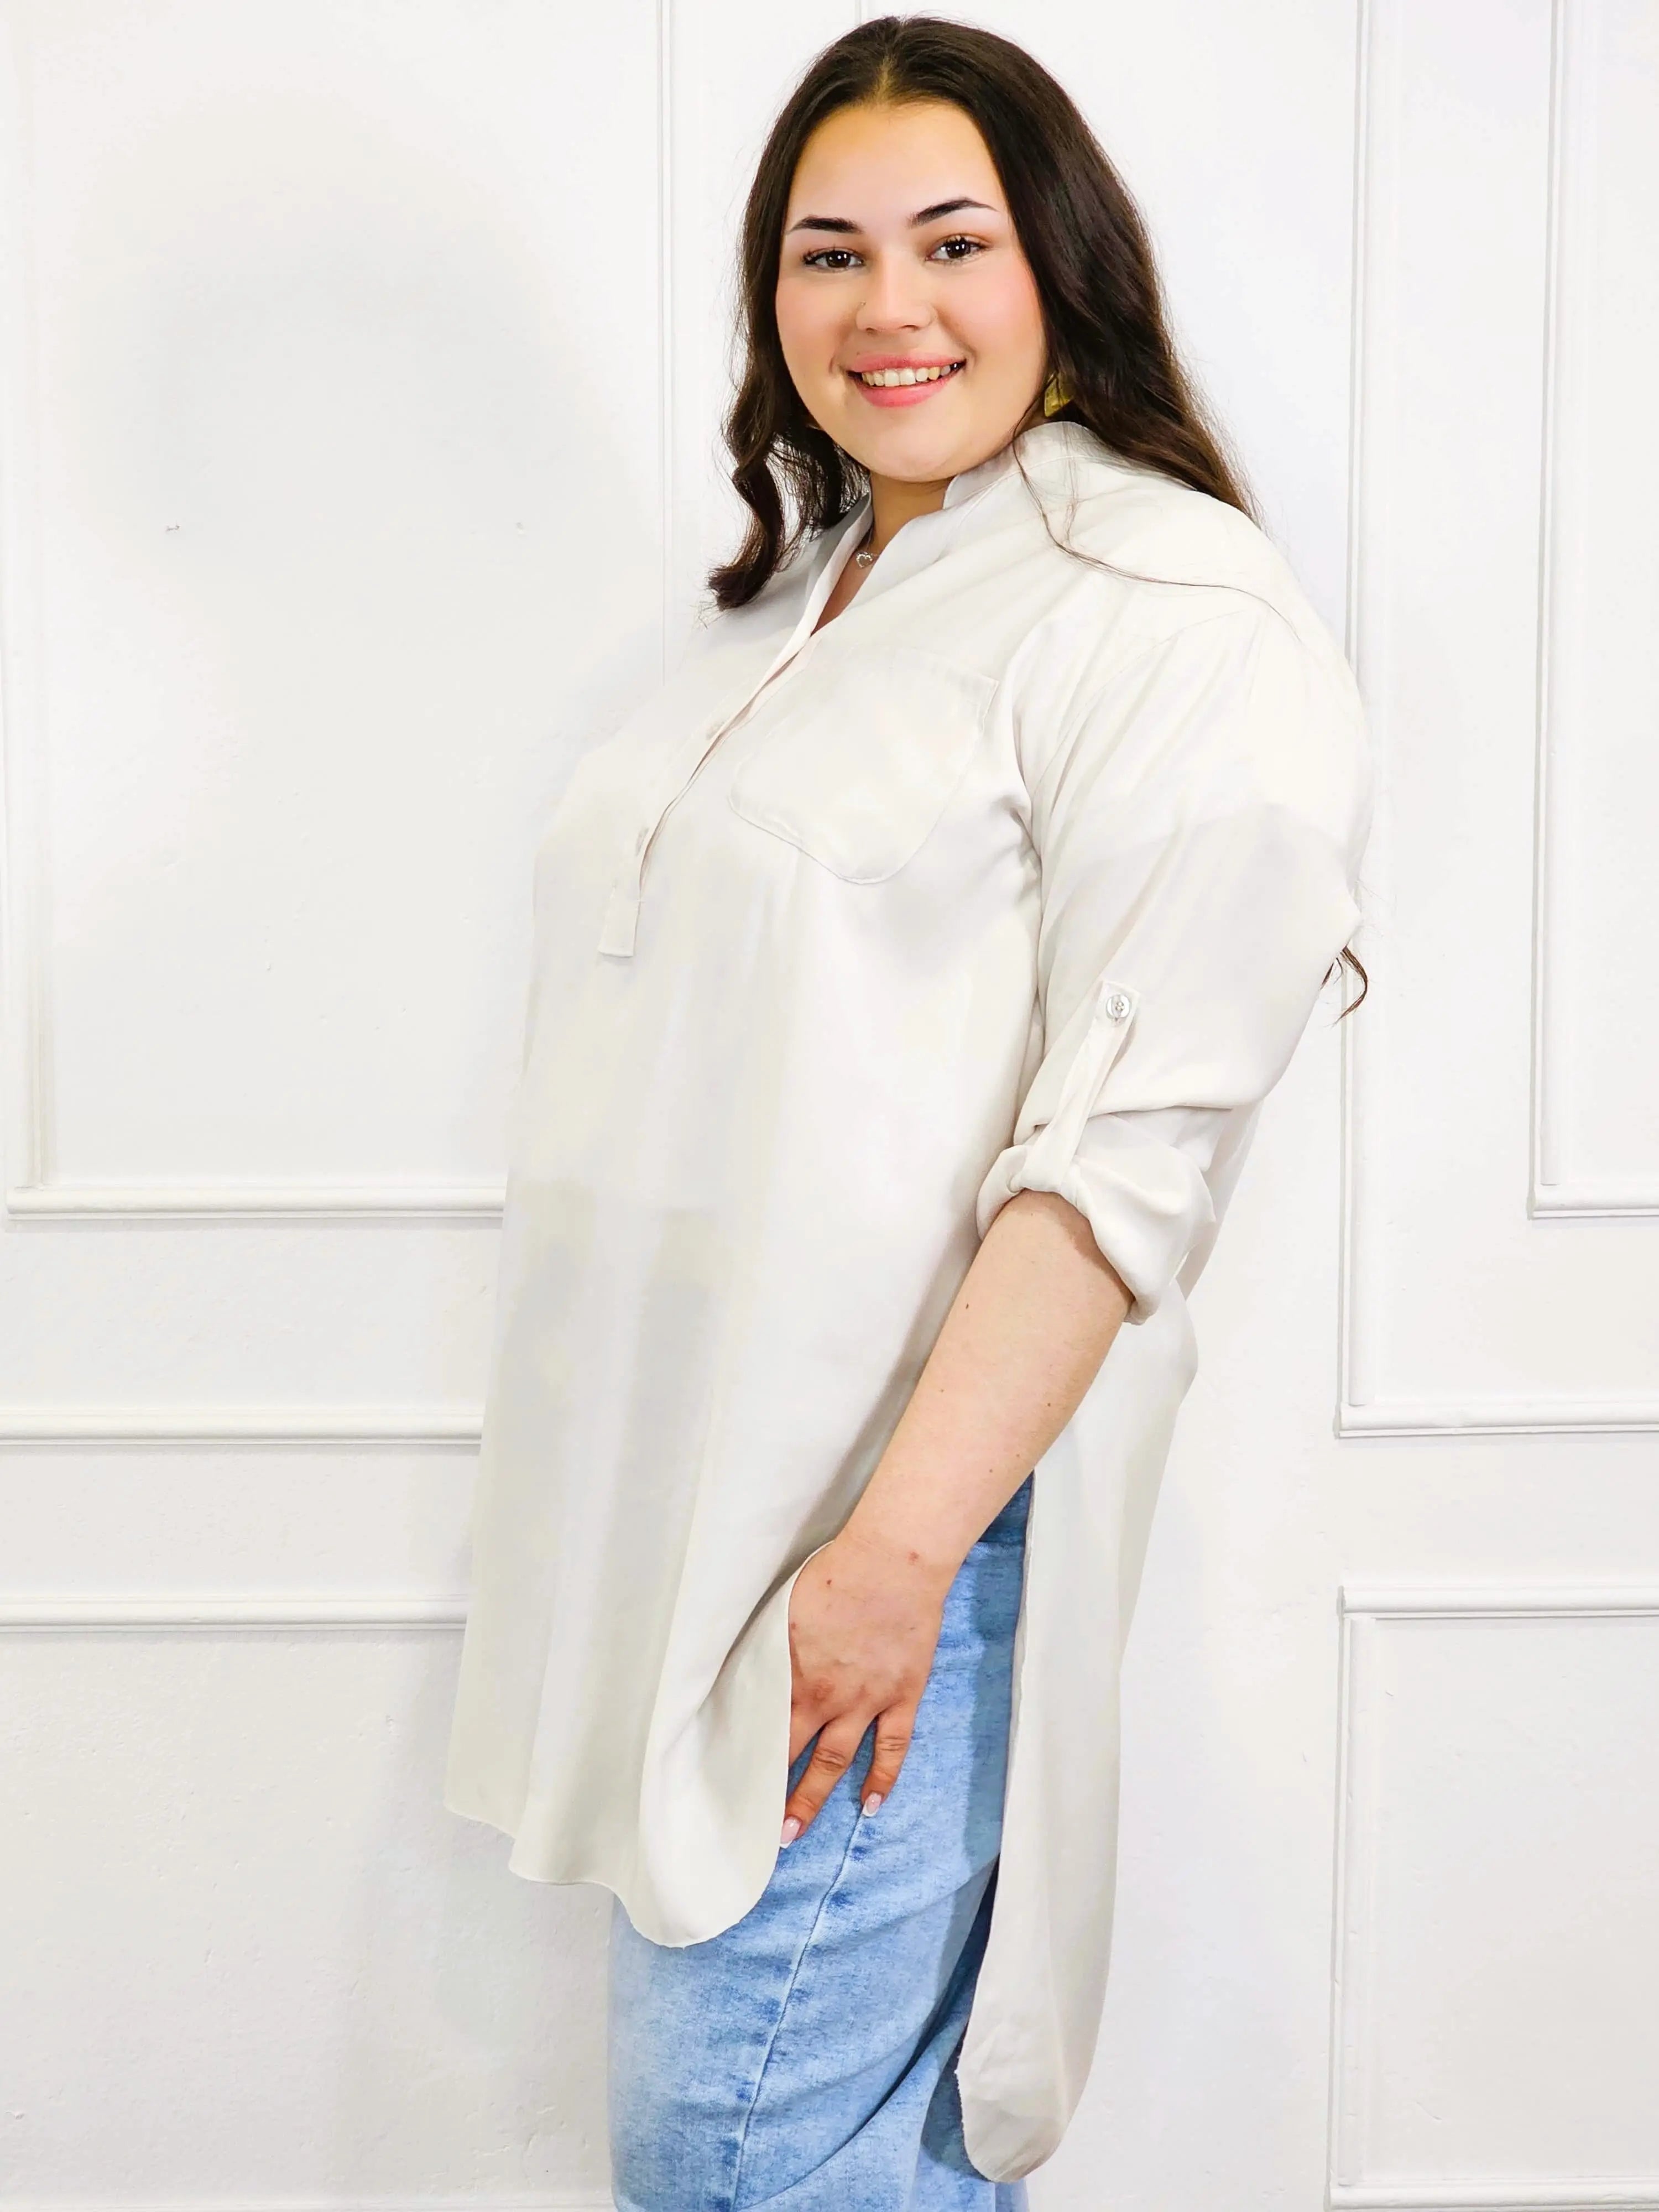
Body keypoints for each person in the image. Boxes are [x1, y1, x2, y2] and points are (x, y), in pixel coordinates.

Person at [442, 16, 1371, 2208]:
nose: (888, 306)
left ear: (1061, 263)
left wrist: (893, 1559)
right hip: (691, 1522)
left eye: (953, 242)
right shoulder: (820, 589)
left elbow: (1125, 1161)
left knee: (744, 2158)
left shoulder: (1166, 609)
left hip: (885, 1537)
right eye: (828, 251)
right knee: (808, 2158)